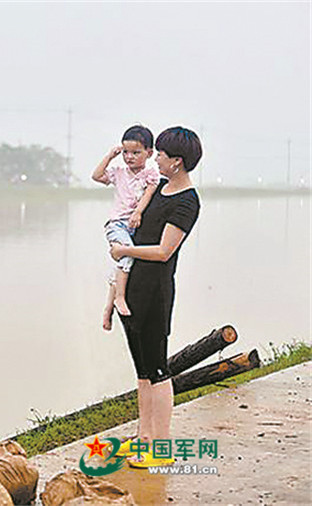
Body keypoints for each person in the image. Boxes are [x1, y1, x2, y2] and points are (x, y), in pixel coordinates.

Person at [109, 127, 202, 468]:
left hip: (155, 293)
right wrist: (113, 292)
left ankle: (160, 447)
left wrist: (122, 250)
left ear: (177, 161)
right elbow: (130, 230)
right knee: (142, 370)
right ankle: (143, 437)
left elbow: (164, 251)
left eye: (160, 154)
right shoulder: (158, 189)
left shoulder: (187, 201)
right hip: (131, 290)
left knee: (159, 370)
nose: (155, 158)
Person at [92, 125, 160, 330]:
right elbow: (96, 176)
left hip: (134, 225)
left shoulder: (151, 174)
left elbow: (148, 194)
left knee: (121, 266)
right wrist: (110, 156)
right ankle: (119, 298)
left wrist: (138, 212)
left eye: (135, 152)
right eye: (126, 152)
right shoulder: (119, 172)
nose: (129, 157)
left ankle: (108, 309)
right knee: (128, 256)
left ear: (149, 153)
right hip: (117, 225)